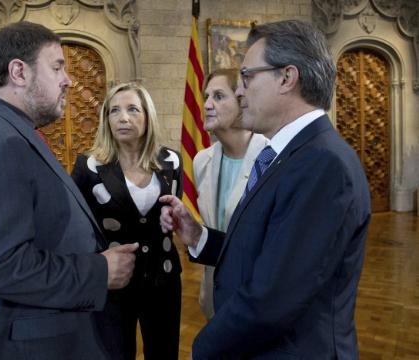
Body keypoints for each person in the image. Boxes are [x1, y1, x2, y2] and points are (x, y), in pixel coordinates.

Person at [160, 20, 371, 359]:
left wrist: (203, 348)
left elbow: (274, 295)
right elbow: (262, 253)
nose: (240, 91)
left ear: (286, 78)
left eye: (247, 76)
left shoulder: (323, 164)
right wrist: (200, 236)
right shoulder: (290, 154)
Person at [0, 21, 138, 360]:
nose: (68, 79)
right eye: (57, 66)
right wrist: (98, 272)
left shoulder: (5, 130)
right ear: (19, 72)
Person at [71, 82, 183, 360]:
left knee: (164, 353)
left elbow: (171, 211)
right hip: (113, 282)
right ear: (105, 119)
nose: (123, 118)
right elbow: (77, 225)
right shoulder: (88, 166)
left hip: (163, 278)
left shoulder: (171, 161)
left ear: (148, 116)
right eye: (114, 111)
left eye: (133, 109)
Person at [195, 68, 267, 320]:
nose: (207, 105)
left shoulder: (270, 157)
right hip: (214, 294)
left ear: (241, 101)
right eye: (206, 97)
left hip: (256, 298)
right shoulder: (201, 161)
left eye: (218, 96)